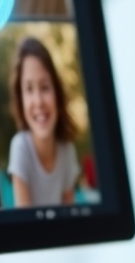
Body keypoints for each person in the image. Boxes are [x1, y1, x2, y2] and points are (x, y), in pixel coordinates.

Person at [6, 36, 80, 207]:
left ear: (57, 93)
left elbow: (71, 219)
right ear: (20, 99)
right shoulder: (20, 147)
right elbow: (26, 227)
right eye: (29, 89)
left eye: (45, 87)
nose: (38, 101)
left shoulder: (67, 150)